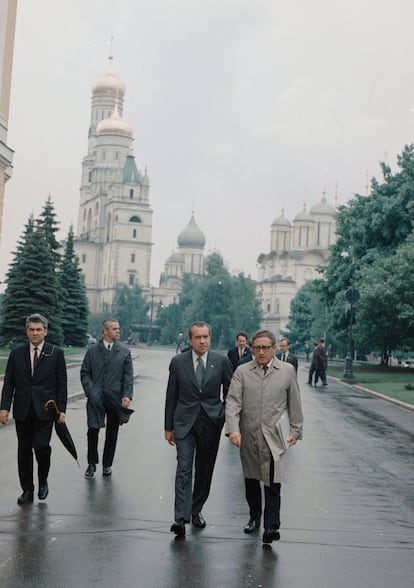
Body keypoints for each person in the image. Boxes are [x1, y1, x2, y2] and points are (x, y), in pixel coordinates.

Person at [225, 329, 303, 544]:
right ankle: (254, 517)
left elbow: (294, 402)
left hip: (275, 436)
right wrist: (233, 429)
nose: (261, 352)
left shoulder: (286, 371)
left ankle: (271, 525)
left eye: (265, 348)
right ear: (251, 349)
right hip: (249, 434)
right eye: (257, 348)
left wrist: (296, 430)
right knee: (251, 479)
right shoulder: (242, 371)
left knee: (273, 481)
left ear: (274, 349)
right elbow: (233, 402)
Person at [164, 321, 233, 537]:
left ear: (210, 338)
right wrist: (168, 427)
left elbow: (231, 391)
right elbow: (171, 395)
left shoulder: (221, 361)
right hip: (184, 424)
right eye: (198, 337)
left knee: (204, 471)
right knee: (184, 468)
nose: (202, 341)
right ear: (190, 340)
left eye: (206, 337)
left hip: (211, 423)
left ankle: (196, 510)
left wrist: (223, 415)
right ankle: (180, 519)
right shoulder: (178, 362)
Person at [0, 313, 67, 505]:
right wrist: (4, 408)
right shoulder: (17, 353)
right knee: (24, 451)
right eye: (31, 330)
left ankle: (43, 480)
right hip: (23, 410)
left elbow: (61, 385)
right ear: (26, 331)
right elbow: (9, 383)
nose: (35, 333)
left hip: (46, 411)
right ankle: (27, 490)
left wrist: (61, 410)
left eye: (39, 329)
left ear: (45, 331)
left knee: (41, 447)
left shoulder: (56, 353)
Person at [81, 319, 134, 478]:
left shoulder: (124, 351)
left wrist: (127, 395)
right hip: (95, 397)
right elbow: (85, 373)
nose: (118, 331)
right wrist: (91, 391)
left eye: (118, 328)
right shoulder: (92, 351)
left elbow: (128, 376)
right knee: (93, 430)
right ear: (105, 331)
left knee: (112, 431)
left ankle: (107, 464)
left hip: (114, 396)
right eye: (114, 329)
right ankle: (91, 464)